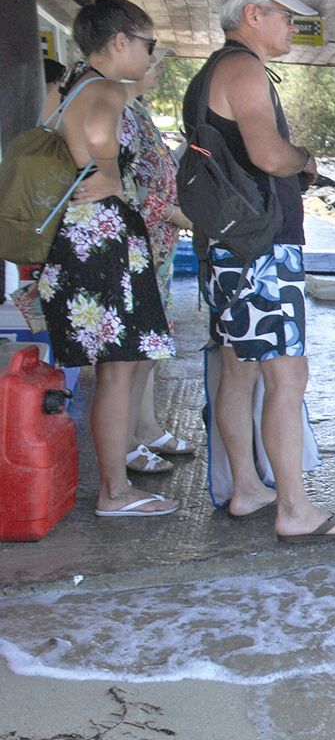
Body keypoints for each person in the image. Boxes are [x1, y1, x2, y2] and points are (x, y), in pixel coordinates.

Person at [200, 0, 335, 542]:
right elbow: (268, 154)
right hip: (260, 248)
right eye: (284, 14)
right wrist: (307, 161)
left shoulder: (214, 71)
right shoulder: (243, 67)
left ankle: (247, 487)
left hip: (230, 246)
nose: (293, 23)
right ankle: (294, 508)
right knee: (287, 375)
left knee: (239, 369)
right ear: (252, 15)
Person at [36, 0, 177, 518]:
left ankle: (116, 487)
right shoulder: (110, 91)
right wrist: (113, 176)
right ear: (120, 42)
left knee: (112, 369)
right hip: (103, 242)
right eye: (149, 43)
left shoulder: (70, 85)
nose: (151, 54)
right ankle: (114, 493)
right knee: (118, 368)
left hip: (82, 240)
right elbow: (98, 138)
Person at [121, 47, 197, 474]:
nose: (159, 73)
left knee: (151, 345)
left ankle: (146, 426)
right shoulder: (118, 112)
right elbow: (119, 183)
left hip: (158, 246)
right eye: (156, 64)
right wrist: (172, 213)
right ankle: (128, 440)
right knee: (132, 350)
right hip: (137, 244)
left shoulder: (138, 112)